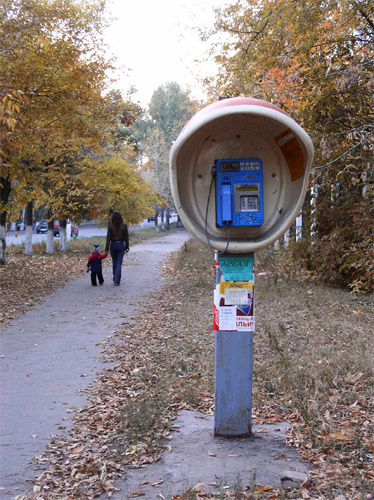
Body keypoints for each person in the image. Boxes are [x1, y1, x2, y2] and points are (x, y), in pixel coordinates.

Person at [105, 211, 129, 286]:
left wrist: (107, 248)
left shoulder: (110, 226)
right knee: (119, 263)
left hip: (113, 245)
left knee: (114, 262)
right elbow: (126, 237)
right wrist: (127, 246)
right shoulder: (124, 226)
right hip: (121, 245)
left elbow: (108, 237)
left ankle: (115, 277)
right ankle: (117, 280)